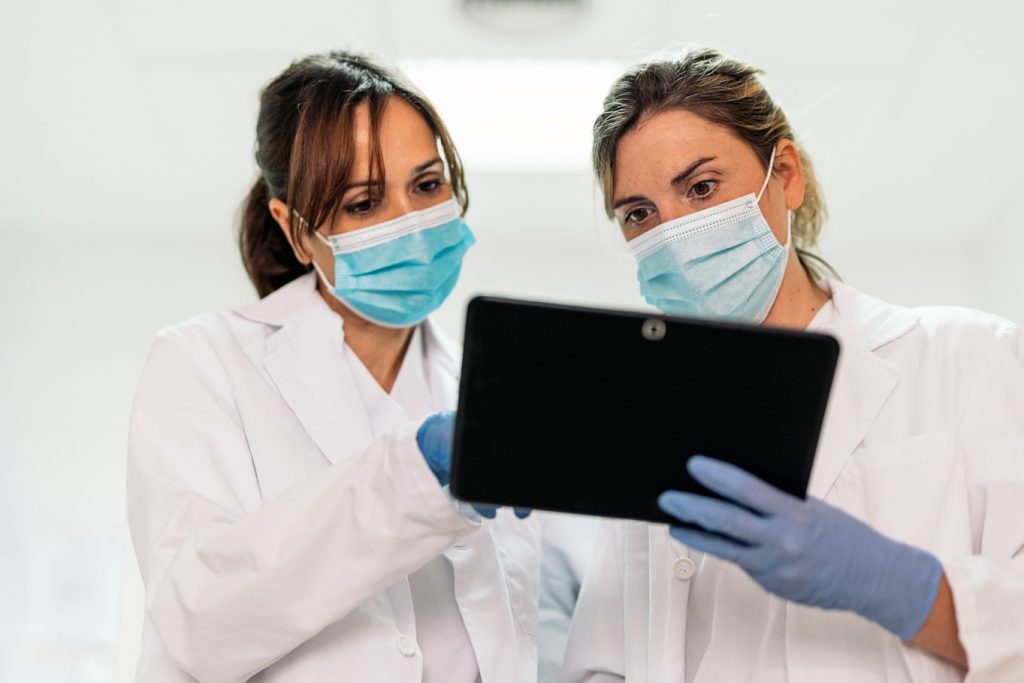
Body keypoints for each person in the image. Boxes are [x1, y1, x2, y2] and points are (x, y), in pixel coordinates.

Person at [563, 48, 1024, 682]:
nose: (673, 233)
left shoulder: (968, 359)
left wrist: (905, 587)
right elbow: (602, 663)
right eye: (639, 214)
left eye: (701, 187)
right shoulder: (650, 421)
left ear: (784, 176)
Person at [126, 51, 538, 683]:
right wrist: (411, 475)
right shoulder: (207, 362)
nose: (411, 223)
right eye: (364, 202)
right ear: (294, 230)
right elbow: (197, 620)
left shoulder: (488, 392)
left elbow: (537, 627)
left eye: (427, 186)